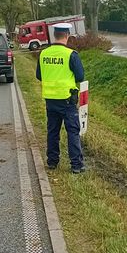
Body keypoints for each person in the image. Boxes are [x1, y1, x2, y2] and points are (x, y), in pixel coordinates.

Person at [36, 23, 86, 174]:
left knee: (52, 131)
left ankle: (52, 161)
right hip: (67, 99)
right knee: (72, 131)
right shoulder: (71, 54)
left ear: (54, 36)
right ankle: (76, 165)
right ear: (67, 36)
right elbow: (80, 76)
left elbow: (39, 76)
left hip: (50, 99)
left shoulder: (43, 53)